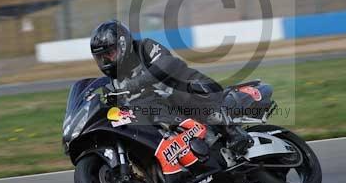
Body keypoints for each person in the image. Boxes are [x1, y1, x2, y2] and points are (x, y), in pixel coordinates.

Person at [89, 20, 253, 154]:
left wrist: (137, 83)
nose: (107, 62)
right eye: (101, 58)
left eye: (110, 54)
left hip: (196, 90)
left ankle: (231, 131)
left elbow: (169, 63)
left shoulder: (143, 48)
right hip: (164, 119)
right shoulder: (111, 85)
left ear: (123, 45)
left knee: (174, 90)